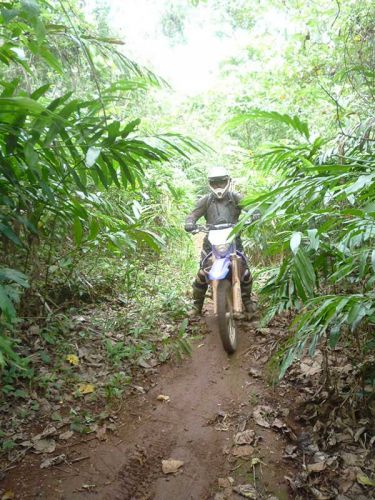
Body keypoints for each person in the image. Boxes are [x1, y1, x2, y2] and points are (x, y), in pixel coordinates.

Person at [184, 167, 259, 316]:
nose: (218, 186)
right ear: (210, 184)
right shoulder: (205, 200)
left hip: (233, 238)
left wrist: (255, 213)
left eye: (221, 182)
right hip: (211, 241)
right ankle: (197, 306)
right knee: (202, 274)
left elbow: (250, 206)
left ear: (228, 181)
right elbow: (193, 214)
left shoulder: (235, 197)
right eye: (215, 183)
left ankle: (247, 301)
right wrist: (190, 222)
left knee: (244, 271)